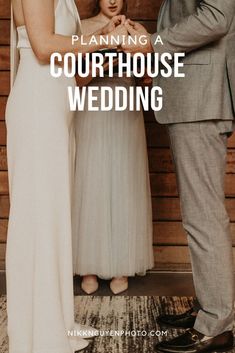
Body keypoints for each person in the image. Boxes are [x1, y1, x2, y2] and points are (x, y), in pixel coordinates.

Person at [6, 1, 126, 352]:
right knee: (38, 222)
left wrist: (101, 33)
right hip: (39, 106)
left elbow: (62, 47)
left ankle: (56, 320)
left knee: (54, 218)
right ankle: (39, 334)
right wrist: (100, 42)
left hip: (56, 105)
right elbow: (43, 47)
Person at [122, 0, 235, 352]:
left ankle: (216, 323)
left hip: (201, 98)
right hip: (192, 95)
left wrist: (151, 44)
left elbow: (217, 17)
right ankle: (210, 309)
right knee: (199, 214)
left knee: (203, 216)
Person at [72, 0, 154, 295]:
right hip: (91, 109)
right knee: (91, 182)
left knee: (124, 183)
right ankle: (89, 264)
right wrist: (104, 62)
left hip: (125, 109)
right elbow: (74, 80)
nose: (112, 0)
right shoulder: (82, 29)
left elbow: (147, 81)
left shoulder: (137, 30)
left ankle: (121, 263)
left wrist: (140, 61)